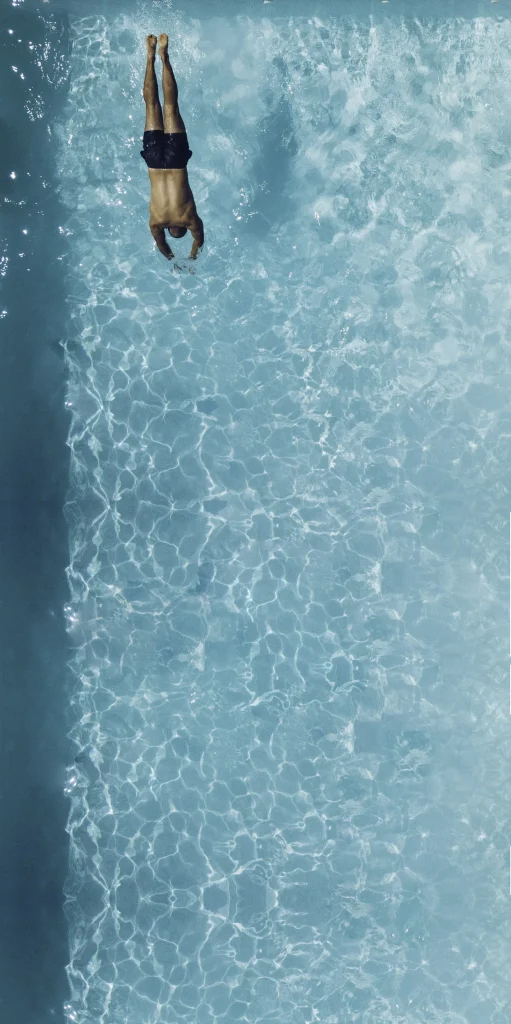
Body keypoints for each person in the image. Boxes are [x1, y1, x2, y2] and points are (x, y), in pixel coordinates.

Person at [141, 33, 204, 261]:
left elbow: (199, 239)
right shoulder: (156, 221)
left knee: (171, 106)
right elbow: (160, 244)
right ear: (170, 229)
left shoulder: (189, 219)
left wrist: (192, 256)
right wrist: (171, 258)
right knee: (151, 106)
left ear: (183, 229)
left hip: (177, 161)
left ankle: (164, 57)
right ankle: (150, 58)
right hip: (154, 161)